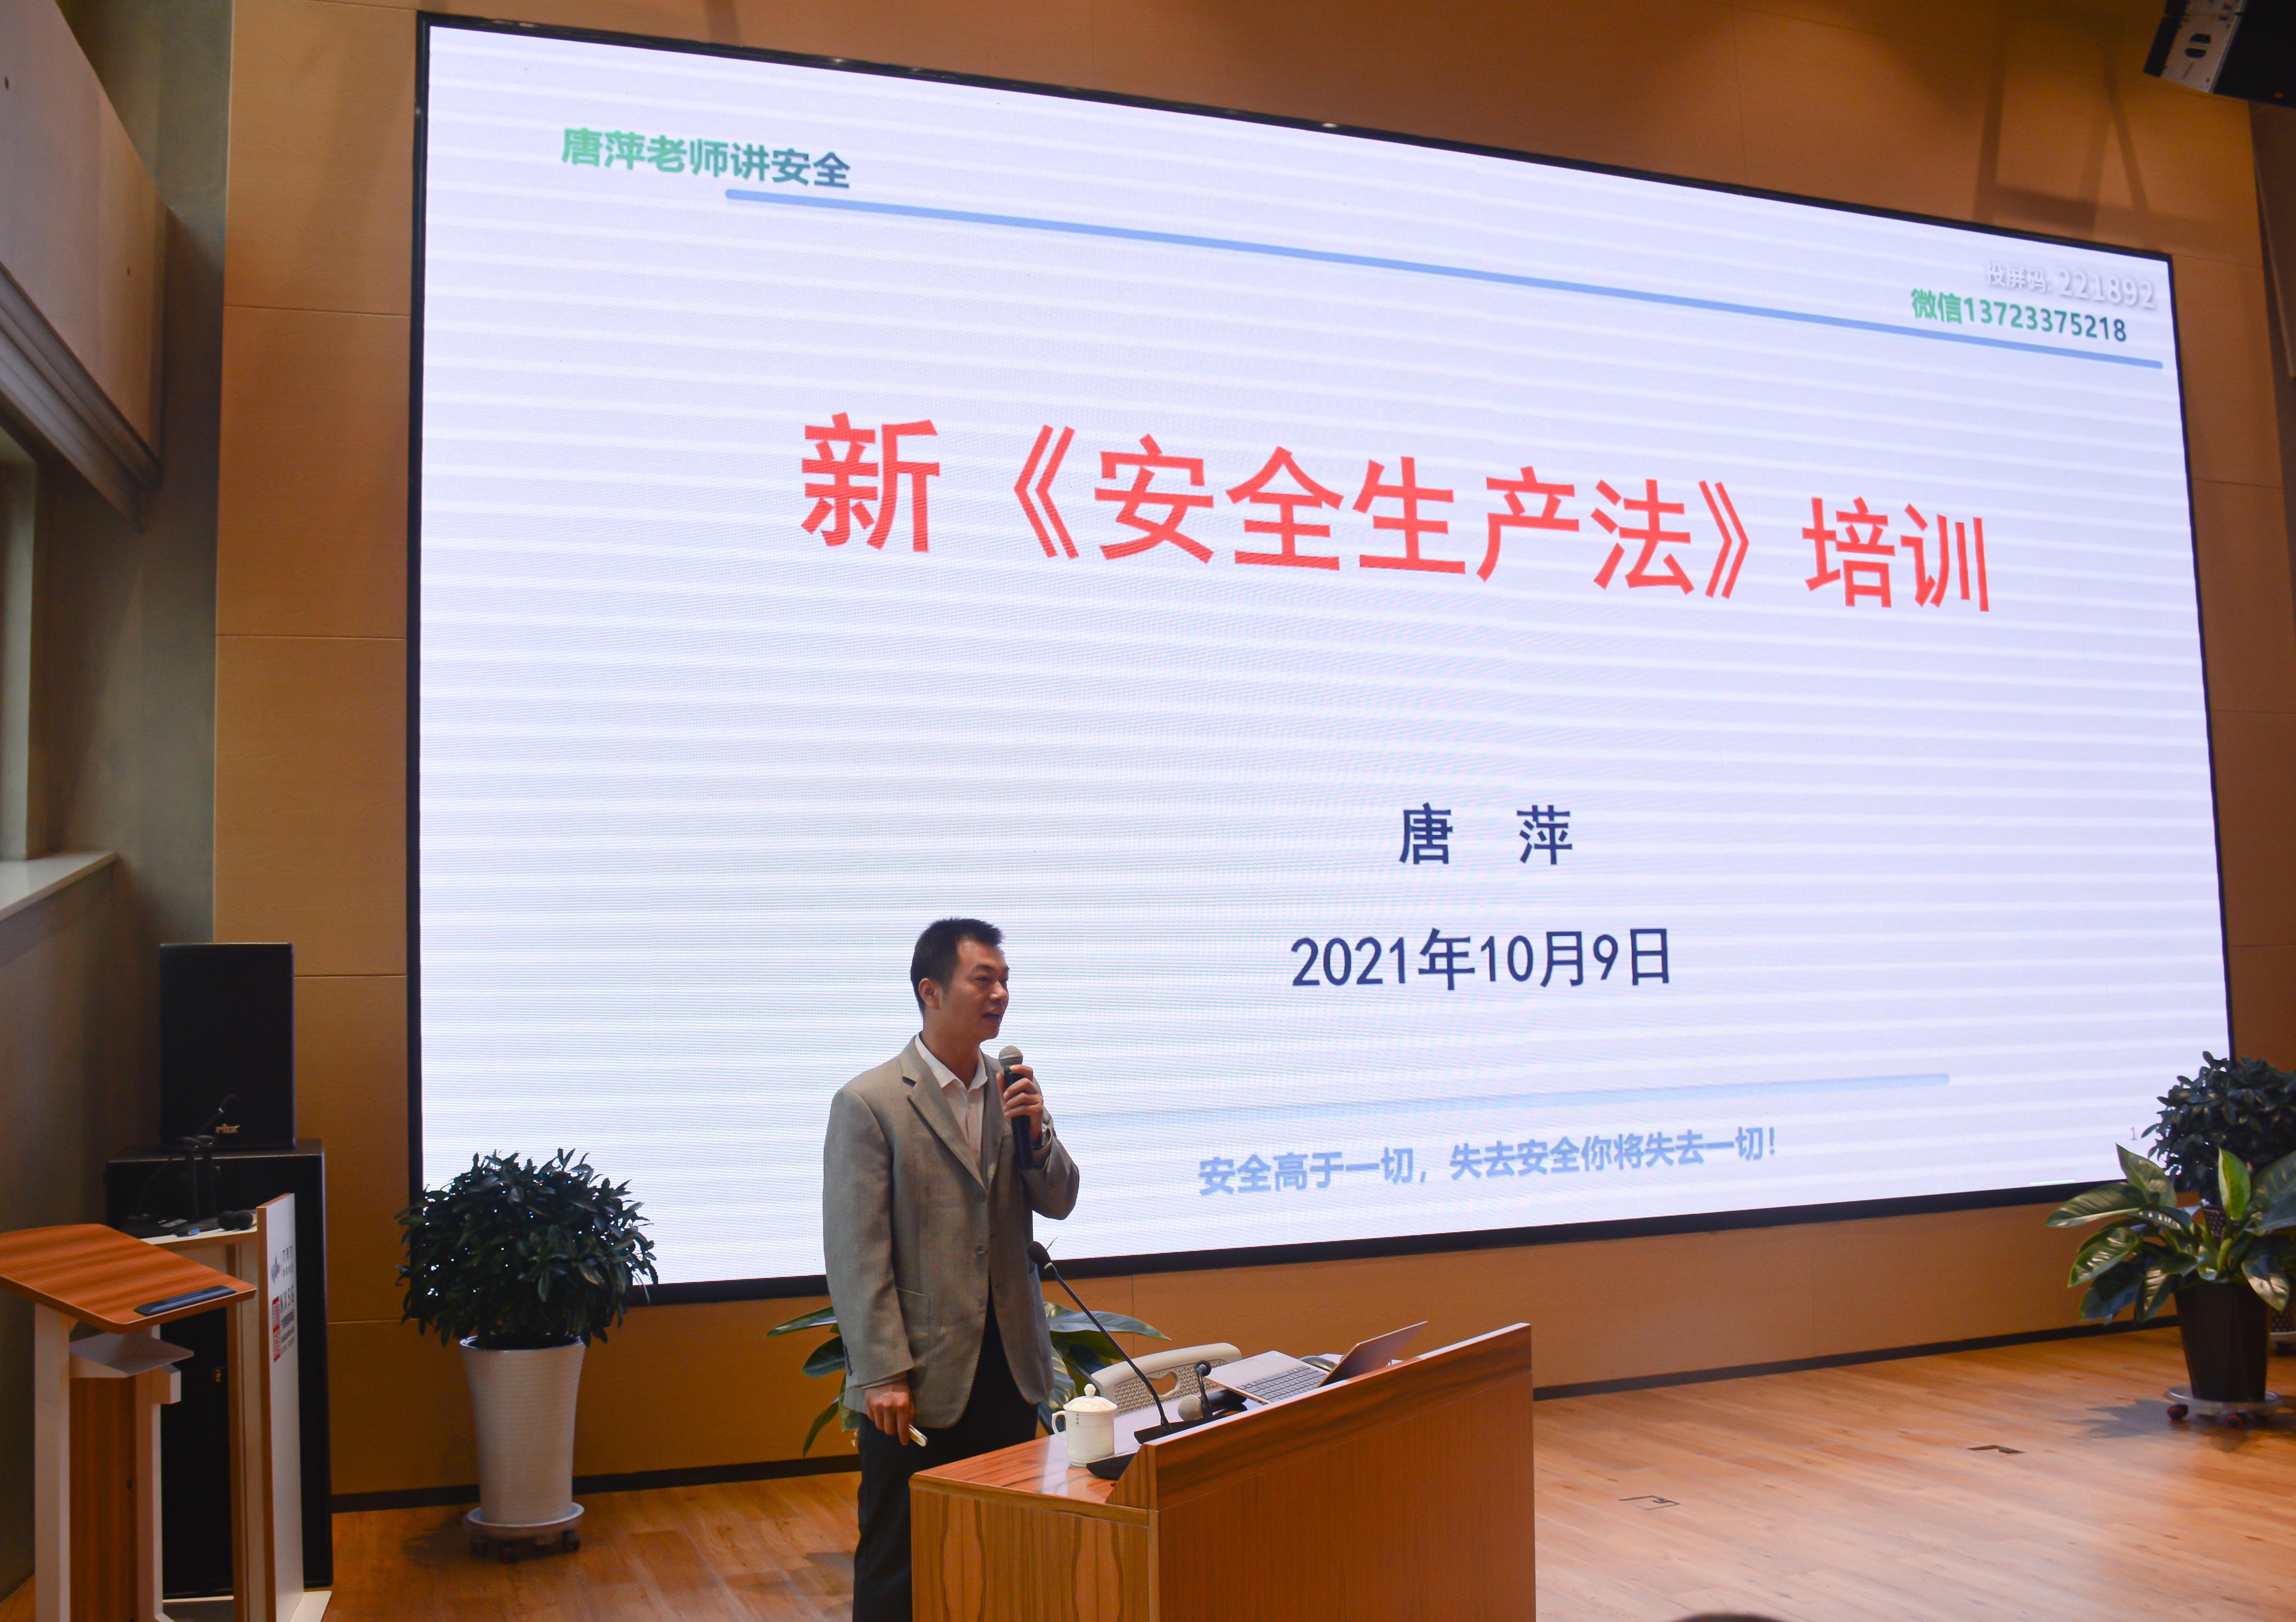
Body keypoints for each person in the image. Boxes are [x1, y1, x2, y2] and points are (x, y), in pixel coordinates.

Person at [822, 917, 1082, 1622]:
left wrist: (1037, 1135)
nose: (1000, 994)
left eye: (1005, 981)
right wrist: (882, 1372)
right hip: (919, 1373)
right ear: (930, 991)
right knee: (899, 1555)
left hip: (1008, 1362)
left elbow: (1059, 1199)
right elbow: (856, 1251)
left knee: (1000, 1543)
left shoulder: (1014, 1088)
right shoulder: (870, 1102)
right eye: (983, 979)